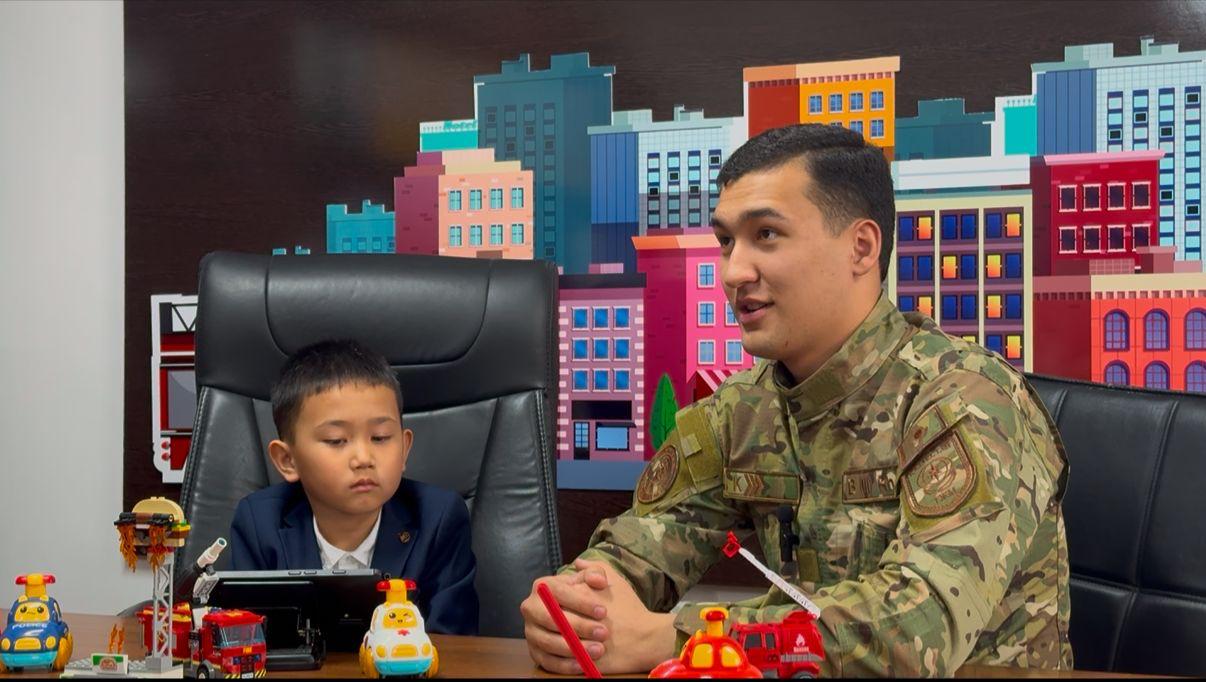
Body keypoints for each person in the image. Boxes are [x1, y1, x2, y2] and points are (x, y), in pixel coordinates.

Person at [520, 124, 1072, 676]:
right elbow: (642, 546)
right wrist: (580, 608)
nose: (734, 272)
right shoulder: (741, 410)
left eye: (766, 234)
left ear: (861, 248)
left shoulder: (967, 397)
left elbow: (916, 631)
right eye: (726, 241)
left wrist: (679, 637)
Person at [228, 339, 479, 635]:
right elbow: (249, 640)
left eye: (380, 437)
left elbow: (454, 644)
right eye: (336, 441)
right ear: (288, 460)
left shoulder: (438, 519)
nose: (363, 458)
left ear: (404, 449)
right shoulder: (259, 524)